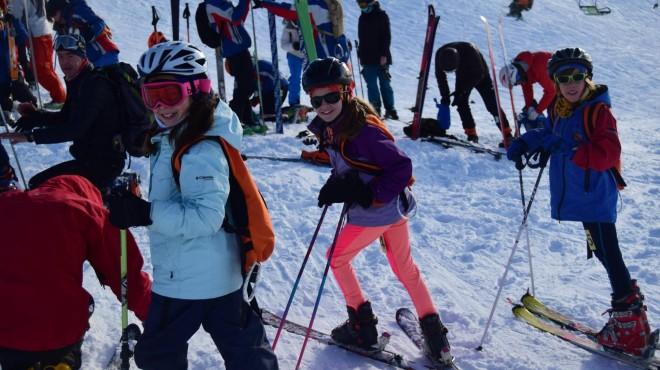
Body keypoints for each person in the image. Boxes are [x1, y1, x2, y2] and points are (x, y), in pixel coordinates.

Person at [106, 41, 279, 370]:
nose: (160, 105)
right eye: (150, 95)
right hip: (218, 273)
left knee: (158, 354)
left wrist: (145, 213)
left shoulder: (200, 149)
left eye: (169, 94)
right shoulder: (182, 132)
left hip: (188, 280)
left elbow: (205, 218)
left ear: (197, 90)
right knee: (244, 349)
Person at [303, 57, 453, 364]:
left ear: (347, 92)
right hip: (393, 209)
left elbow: (401, 168)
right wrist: (337, 184)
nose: (324, 105)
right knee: (403, 267)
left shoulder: (365, 130)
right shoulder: (334, 126)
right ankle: (436, 338)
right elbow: (350, 164)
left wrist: (367, 193)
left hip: (378, 209)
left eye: (331, 96)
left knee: (337, 257)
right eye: (317, 100)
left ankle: (362, 326)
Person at [507, 48, 654, 357]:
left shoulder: (597, 111)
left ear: (588, 78)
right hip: (580, 195)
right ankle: (631, 313)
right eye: (564, 78)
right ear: (555, 83)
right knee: (603, 250)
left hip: (594, 195)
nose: (571, 84)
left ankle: (629, 325)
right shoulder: (560, 109)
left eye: (578, 77)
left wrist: (573, 150)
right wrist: (525, 141)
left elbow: (609, 152)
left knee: (608, 251)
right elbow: (548, 132)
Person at [0, 160, 151, 370]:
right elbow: (126, 275)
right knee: (82, 305)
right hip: (59, 331)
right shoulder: (84, 210)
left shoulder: (6, 203)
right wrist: (155, 316)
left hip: (6, 336)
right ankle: (64, 361)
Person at [0, 32, 126, 190]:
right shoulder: (79, 79)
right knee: (38, 186)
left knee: (42, 190)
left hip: (104, 166)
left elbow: (75, 129)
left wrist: (30, 136)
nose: (64, 62)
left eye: (70, 56)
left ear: (82, 56)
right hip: (89, 161)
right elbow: (66, 117)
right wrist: (36, 116)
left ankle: (111, 192)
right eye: (60, 56)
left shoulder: (95, 85)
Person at [435, 41, 512, 146]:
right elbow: (441, 78)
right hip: (462, 73)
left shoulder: (470, 52)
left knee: (492, 104)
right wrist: (445, 98)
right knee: (461, 103)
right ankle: (471, 134)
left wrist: (462, 91)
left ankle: (507, 134)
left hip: (480, 72)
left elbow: (478, 74)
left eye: (452, 70)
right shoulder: (440, 56)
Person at [204, 0, 260, 128]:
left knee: (245, 86)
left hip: (238, 49)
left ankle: (245, 118)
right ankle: (236, 120)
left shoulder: (221, 3)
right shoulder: (213, 4)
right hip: (234, 51)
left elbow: (239, 19)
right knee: (245, 86)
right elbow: (235, 17)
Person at [9, 0, 67, 109]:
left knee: (41, 70)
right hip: (41, 31)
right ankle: (59, 97)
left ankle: (60, 98)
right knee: (45, 69)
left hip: (38, 34)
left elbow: (14, 13)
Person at [255, 0, 349, 62]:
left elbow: (290, 11)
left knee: (325, 88)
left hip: (325, 58)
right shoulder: (331, 4)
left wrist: (264, 3)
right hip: (340, 56)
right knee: (344, 88)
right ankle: (345, 92)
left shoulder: (315, 5)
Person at [45, 0, 119, 68]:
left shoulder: (77, 11)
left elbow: (99, 22)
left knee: (110, 79)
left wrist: (91, 33)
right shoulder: (62, 28)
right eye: (51, 16)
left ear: (59, 9)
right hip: (89, 60)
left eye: (53, 14)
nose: (53, 18)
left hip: (104, 52)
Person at [356, 0, 397, 120]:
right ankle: (375, 109)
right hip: (367, 58)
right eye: (360, 5)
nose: (362, 8)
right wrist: (361, 55)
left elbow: (386, 36)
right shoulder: (362, 18)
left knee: (385, 84)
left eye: (363, 5)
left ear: (371, 3)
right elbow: (361, 38)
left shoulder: (382, 16)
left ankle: (390, 109)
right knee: (371, 85)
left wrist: (384, 54)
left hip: (381, 58)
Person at [499, 50, 554, 131]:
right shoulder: (523, 68)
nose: (520, 83)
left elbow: (551, 91)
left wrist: (538, 110)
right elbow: (527, 88)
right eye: (517, 83)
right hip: (556, 84)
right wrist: (529, 107)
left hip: (564, 79)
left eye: (518, 81)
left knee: (555, 109)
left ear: (517, 75)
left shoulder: (539, 66)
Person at [0, 3, 37, 115]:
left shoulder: (7, 29)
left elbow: (23, 37)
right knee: (4, 106)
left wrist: (14, 20)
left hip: (14, 76)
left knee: (32, 104)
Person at [280, 19, 304, 106]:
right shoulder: (289, 28)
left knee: (313, 75)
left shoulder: (308, 24)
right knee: (295, 78)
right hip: (294, 55)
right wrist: (293, 46)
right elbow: (283, 44)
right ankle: (294, 102)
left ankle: (318, 98)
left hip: (306, 54)